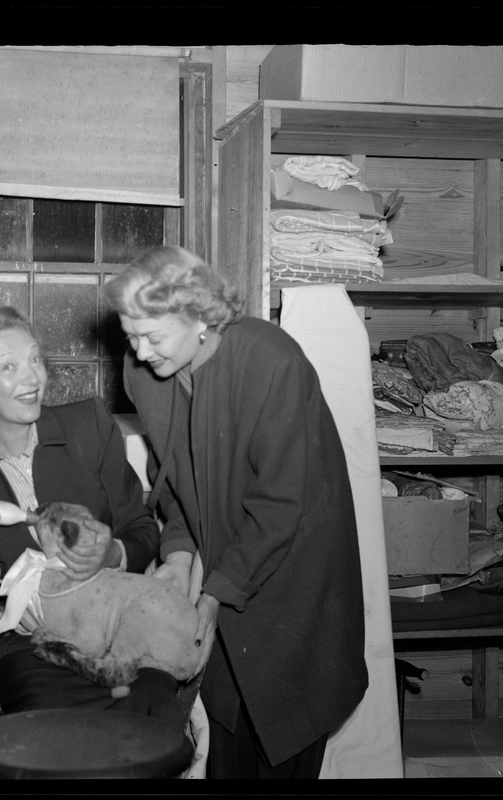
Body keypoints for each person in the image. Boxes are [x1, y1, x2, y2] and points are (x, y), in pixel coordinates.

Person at [104, 246, 368, 779]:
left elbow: (280, 504)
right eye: (130, 335)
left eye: (152, 336)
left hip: (295, 573)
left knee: (286, 729)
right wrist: (178, 554)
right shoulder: (145, 375)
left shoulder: (272, 361)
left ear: (199, 315)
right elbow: (175, 483)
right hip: (226, 572)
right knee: (227, 735)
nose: (138, 351)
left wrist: (214, 592)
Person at [0, 305, 185, 730]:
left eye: (36, 359)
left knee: (154, 708)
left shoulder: (89, 426)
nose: (33, 377)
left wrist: (112, 554)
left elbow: (141, 528)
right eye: (10, 366)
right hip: (29, 647)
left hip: (116, 628)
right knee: (54, 723)